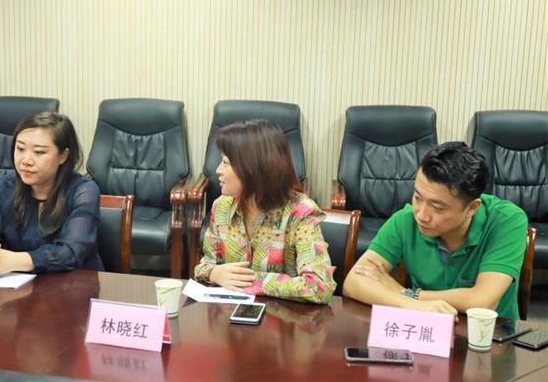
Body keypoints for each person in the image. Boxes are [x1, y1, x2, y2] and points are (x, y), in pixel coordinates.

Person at [343, 142, 527, 319]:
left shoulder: (507, 220)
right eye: (417, 197)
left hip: (490, 335)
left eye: (437, 208)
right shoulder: (406, 220)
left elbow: (482, 302)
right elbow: (354, 281)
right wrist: (410, 304)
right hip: (426, 329)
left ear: (472, 208)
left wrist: (406, 293)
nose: (421, 215)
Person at [193, 119, 336, 304]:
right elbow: (204, 266)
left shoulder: (300, 213)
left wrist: (252, 281)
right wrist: (214, 273)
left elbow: (318, 287)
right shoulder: (222, 207)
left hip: (284, 316)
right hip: (230, 315)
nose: (218, 170)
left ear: (252, 168)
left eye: (226, 163)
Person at [0, 111, 104, 278]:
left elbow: (70, 252)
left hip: (74, 284)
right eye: (20, 149)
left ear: (63, 156)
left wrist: (13, 260)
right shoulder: (5, 186)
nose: (26, 160)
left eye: (39, 152)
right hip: (19, 285)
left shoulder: (83, 191)